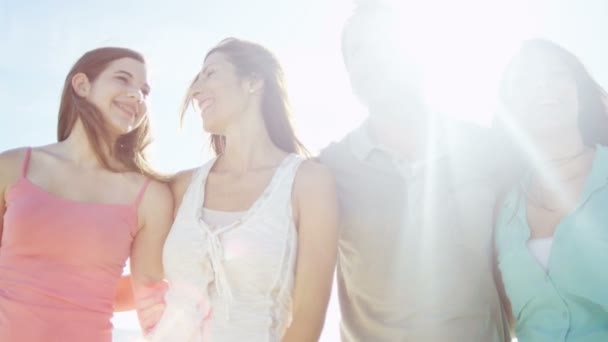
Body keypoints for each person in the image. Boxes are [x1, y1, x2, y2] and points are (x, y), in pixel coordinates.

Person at [318, 4, 510, 341]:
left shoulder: (486, 149)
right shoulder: (328, 169)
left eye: (385, 44)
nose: (372, 60)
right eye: (358, 51)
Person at [145, 38, 339, 341]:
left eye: (210, 74)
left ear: (253, 82)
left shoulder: (309, 183)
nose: (195, 90)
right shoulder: (181, 187)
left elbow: (307, 318)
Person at [0, 47, 173, 342]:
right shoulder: (12, 166)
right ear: (81, 85)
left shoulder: (150, 196)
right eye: (123, 79)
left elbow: (149, 295)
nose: (137, 95)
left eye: (145, 90)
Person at [494, 38, 608, 341]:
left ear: (579, 94)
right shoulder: (504, 209)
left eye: (557, 75)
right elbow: (511, 318)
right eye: (527, 79)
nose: (543, 86)